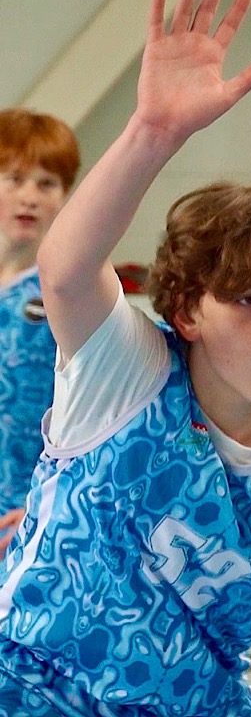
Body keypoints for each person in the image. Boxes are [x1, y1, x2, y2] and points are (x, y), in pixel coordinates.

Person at [0, 0, 251, 715]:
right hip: (35, 688)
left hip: (195, 702)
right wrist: (154, 132)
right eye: (247, 300)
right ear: (187, 312)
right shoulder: (126, 372)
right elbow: (65, 271)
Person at [0, 108, 79, 556]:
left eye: (46, 184)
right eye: (14, 179)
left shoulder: (74, 292)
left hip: (31, 523)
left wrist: (46, 510)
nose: (29, 197)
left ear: (65, 196)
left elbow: (97, 417)